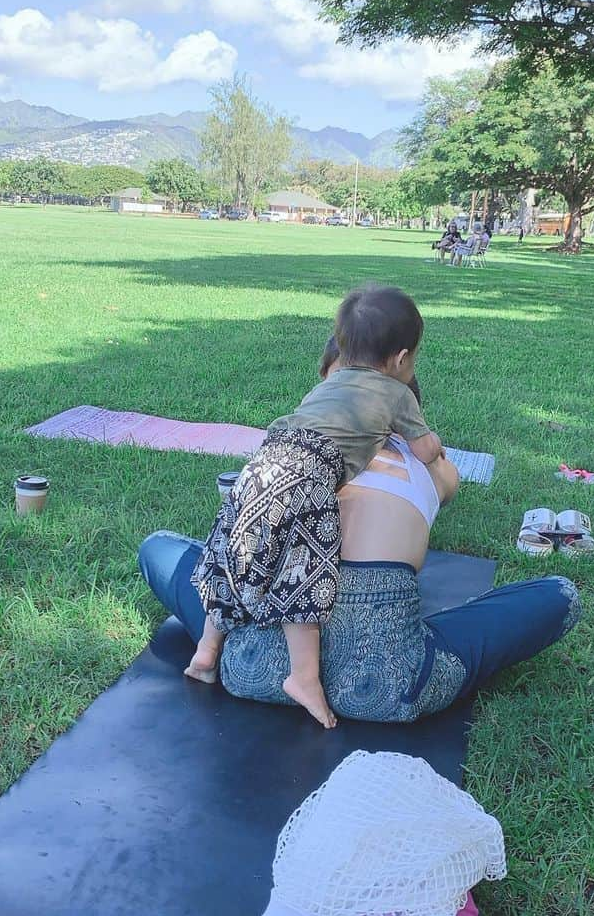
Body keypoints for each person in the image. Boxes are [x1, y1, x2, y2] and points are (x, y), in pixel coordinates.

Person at [141, 363, 581, 725]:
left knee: (159, 546)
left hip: (251, 665)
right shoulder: (433, 466)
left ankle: (215, 651)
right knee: (559, 594)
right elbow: (439, 484)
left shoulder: (294, 452)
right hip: (393, 684)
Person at [185, 286, 443, 729]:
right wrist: (431, 442)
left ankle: (206, 652)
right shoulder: (396, 393)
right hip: (309, 477)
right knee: (304, 579)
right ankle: (303, 677)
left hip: (260, 468)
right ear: (402, 359)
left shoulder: (329, 383)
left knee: (236, 558)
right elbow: (423, 450)